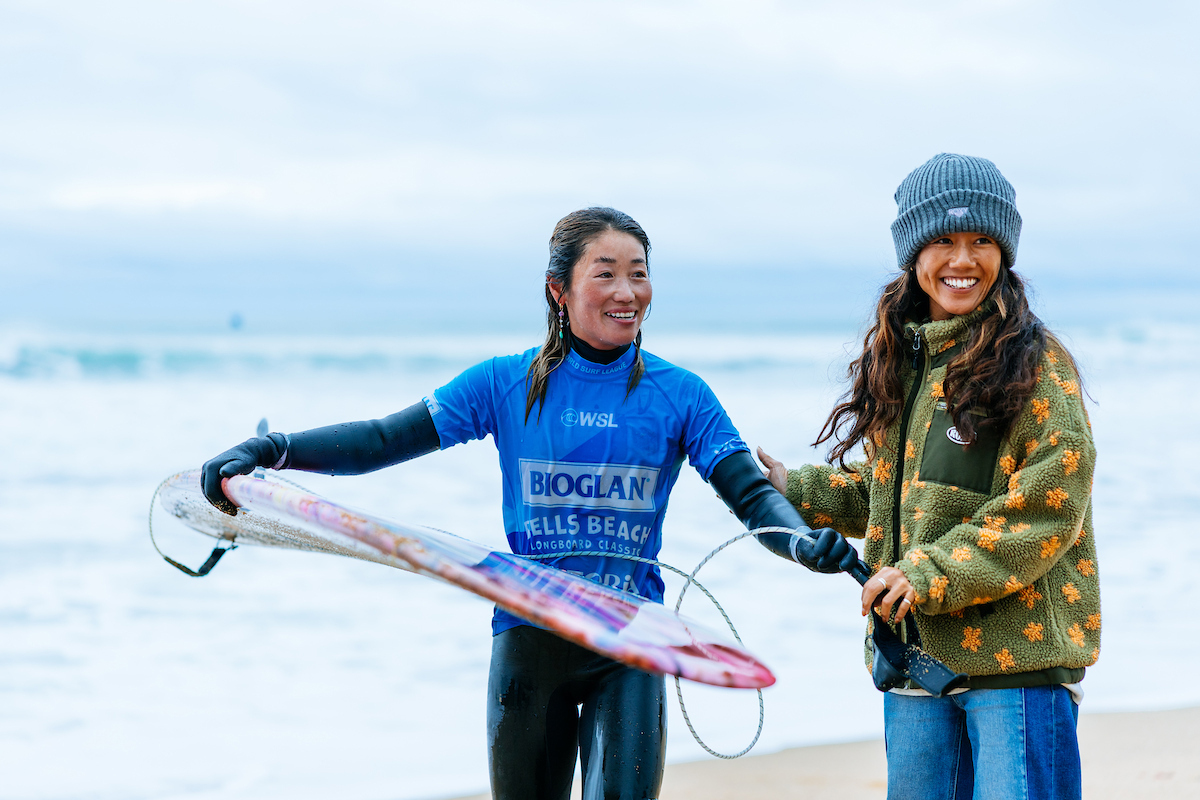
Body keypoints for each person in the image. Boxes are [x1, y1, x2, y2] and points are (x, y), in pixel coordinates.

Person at [200, 207, 858, 800]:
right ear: (559, 289)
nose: (628, 293)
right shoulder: (502, 383)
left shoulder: (681, 395)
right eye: (607, 274)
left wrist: (801, 543)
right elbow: (381, 439)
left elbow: (749, 495)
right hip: (528, 640)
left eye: (639, 274)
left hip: (629, 640)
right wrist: (273, 451)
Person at [758, 154, 1099, 800]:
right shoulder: (906, 358)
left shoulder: (1038, 366)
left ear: (1005, 249)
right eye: (942, 240)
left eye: (980, 241)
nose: (962, 259)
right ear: (913, 253)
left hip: (1014, 671)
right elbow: (887, 496)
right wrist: (791, 489)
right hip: (915, 662)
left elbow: (1045, 510)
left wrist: (924, 575)